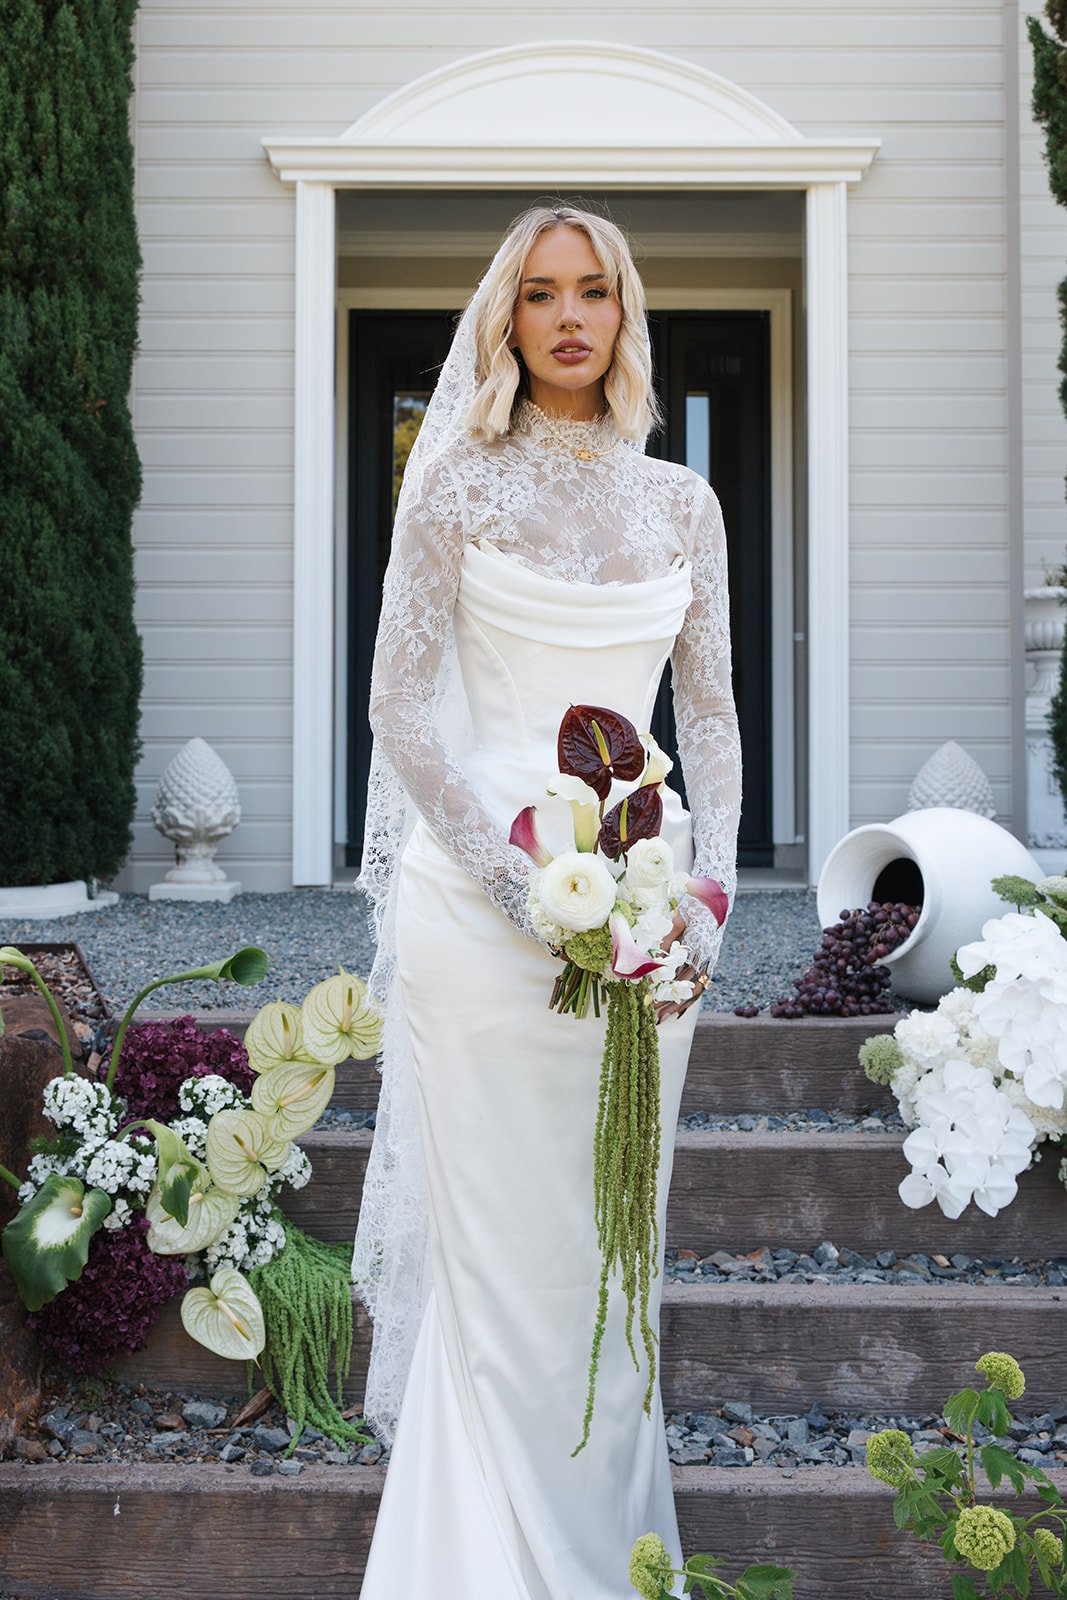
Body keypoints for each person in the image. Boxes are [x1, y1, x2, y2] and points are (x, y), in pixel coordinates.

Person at [351, 201, 742, 1599]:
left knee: (607, 1244)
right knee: (503, 1253)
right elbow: (401, 713)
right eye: (540, 294)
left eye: (593, 291)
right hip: (479, 912)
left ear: (624, 313)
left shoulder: (683, 503)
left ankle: (605, 1553)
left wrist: (710, 895)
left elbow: (713, 719)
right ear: (505, 321)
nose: (569, 316)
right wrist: (518, 889)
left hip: (645, 912)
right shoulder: (454, 487)